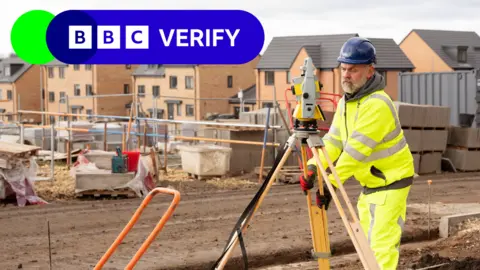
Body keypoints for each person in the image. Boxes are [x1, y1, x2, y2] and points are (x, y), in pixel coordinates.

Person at [298, 37, 415, 269]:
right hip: (371, 183)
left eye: (353, 70)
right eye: (343, 68)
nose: (346, 75)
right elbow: (334, 141)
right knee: (368, 245)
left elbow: (353, 154)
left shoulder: (377, 104)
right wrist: (314, 166)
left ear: (370, 71)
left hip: (391, 183)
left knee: (381, 247)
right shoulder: (346, 102)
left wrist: (328, 183)